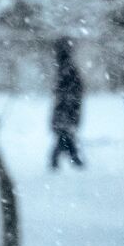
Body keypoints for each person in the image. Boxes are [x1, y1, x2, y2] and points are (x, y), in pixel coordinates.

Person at [49, 37, 85, 170]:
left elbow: (71, 90)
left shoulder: (65, 68)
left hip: (65, 109)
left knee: (64, 135)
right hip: (67, 109)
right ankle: (72, 159)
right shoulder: (67, 68)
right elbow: (77, 89)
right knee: (65, 135)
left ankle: (65, 159)